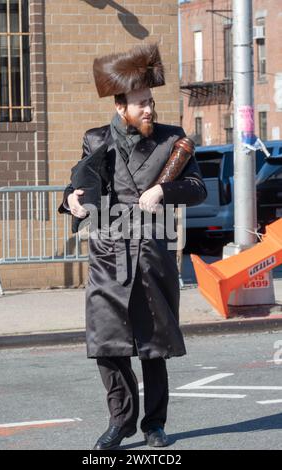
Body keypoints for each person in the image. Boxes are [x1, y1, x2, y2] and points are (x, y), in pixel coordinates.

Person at [59, 43, 207, 450]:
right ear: (121, 106)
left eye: (151, 102)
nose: (149, 110)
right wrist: (71, 200)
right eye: (141, 104)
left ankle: (154, 424)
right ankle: (120, 420)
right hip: (107, 256)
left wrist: (164, 189)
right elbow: (80, 183)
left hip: (152, 257)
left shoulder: (172, 141)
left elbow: (197, 189)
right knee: (107, 345)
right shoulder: (96, 139)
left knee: (153, 347)